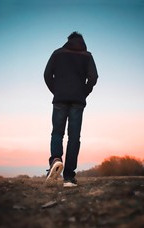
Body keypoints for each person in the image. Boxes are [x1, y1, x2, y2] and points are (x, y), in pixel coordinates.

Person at [44, 31, 98, 187]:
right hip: (78, 101)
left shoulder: (57, 53)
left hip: (60, 99)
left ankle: (55, 160)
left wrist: (57, 90)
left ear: (68, 40)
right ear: (82, 41)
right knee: (74, 137)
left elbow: (47, 74)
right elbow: (93, 77)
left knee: (57, 132)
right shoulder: (87, 56)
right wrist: (83, 92)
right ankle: (68, 177)